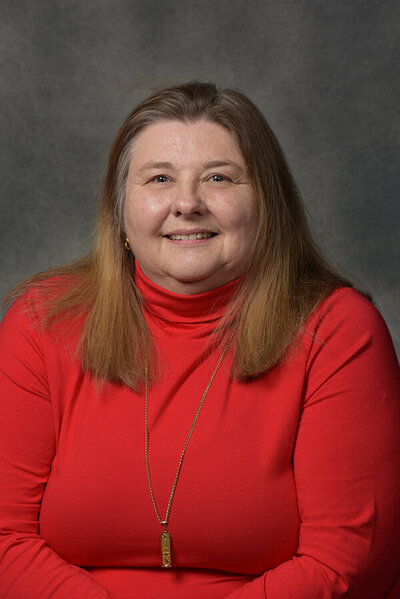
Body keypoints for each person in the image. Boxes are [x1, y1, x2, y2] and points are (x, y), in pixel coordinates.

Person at [0, 82, 399, 599]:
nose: (187, 203)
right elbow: (5, 538)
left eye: (218, 178)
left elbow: (347, 563)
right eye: (159, 178)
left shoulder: (338, 330)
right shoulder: (41, 320)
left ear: (266, 205)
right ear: (121, 211)